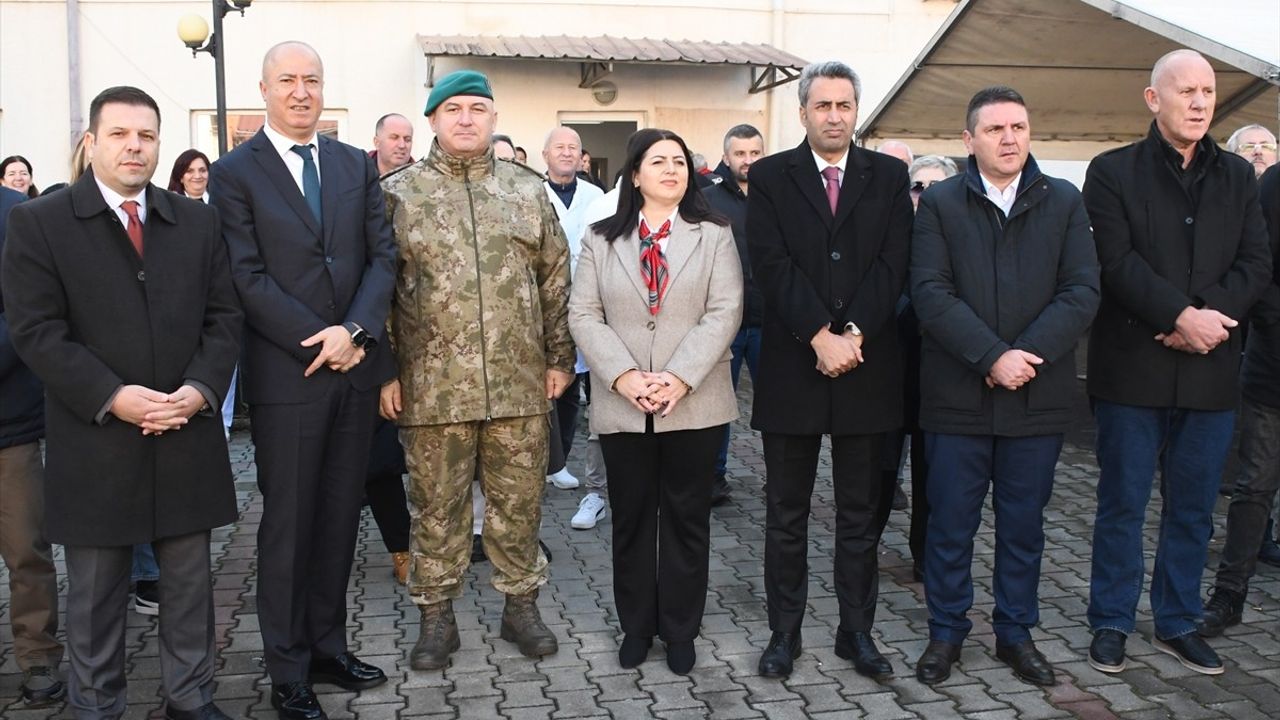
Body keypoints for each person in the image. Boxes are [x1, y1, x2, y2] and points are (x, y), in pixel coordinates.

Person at [2, 85, 242, 720]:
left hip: (185, 432)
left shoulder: (197, 219)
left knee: (190, 588)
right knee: (96, 596)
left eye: (147, 135)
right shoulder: (40, 223)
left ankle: (191, 700)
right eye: (120, 134)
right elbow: (36, 331)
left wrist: (199, 390)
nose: (135, 146)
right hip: (96, 440)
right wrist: (112, 396)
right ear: (91, 142)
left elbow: (224, 317)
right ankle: (97, 705)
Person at [210, 41, 397, 720]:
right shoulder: (235, 174)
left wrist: (357, 334)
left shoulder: (354, 163)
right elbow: (245, 274)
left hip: (352, 372)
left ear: (324, 90)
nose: (300, 91)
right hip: (288, 378)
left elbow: (384, 258)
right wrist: (320, 338)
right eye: (287, 80)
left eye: (311, 80)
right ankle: (286, 669)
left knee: (341, 520)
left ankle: (327, 647)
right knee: (288, 528)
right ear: (264, 89)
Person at [378, 69, 575, 671]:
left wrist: (559, 357)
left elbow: (554, 276)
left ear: (494, 118)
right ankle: (436, 619)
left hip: (519, 384)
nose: (466, 119)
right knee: (436, 508)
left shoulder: (525, 189)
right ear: (433, 120)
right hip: (432, 388)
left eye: (478, 109)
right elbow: (378, 289)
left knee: (519, 505)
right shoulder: (398, 193)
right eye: (453, 109)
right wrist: (387, 371)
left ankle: (521, 608)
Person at [1083, 49, 1271, 677]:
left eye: (1207, 92)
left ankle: (1178, 620)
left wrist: (1207, 318)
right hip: (1133, 369)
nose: (1198, 102)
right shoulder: (1110, 172)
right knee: (1122, 502)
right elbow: (1115, 262)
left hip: (1212, 369)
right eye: (1185, 90)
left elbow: (1255, 264)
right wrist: (1178, 317)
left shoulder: (1239, 178)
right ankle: (1110, 620)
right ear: (1152, 98)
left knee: (1192, 507)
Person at [910, 86, 1100, 687]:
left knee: (1023, 528)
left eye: (1018, 126)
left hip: (1035, 398)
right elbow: (930, 293)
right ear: (969, 141)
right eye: (995, 129)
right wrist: (992, 356)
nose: (1010, 138)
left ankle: (1015, 635)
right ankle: (946, 634)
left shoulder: (1063, 201)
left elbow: (1082, 291)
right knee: (950, 525)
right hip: (957, 399)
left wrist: (1026, 356)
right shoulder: (940, 203)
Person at [748, 60, 912, 680]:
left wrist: (854, 334)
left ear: (856, 110)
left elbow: (894, 263)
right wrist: (819, 334)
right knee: (785, 514)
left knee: (859, 517)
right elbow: (770, 262)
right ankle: (783, 634)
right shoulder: (769, 176)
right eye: (824, 105)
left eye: (845, 105)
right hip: (794, 365)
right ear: (804, 112)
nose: (835, 115)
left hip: (867, 368)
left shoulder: (889, 176)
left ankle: (856, 632)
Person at [570, 127, 742, 674]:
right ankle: (637, 625)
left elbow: (724, 312)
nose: (672, 170)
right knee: (633, 520)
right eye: (659, 161)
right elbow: (583, 314)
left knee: (688, 520)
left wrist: (677, 377)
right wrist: (624, 377)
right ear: (635, 174)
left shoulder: (714, 234)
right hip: (624, 404)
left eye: (680, 162)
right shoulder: (601, 238)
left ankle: (681, 629)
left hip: (693, 401)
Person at [1199, 161, 1280, 635]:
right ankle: (1229, 595)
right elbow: (1257, 273)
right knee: (1255, 489)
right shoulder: (1273, 184)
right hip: (1273, 373)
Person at [0, 183, 66, 709]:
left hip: (8, 425)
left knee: (26, 549)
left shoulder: (14, 214)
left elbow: (29, 312)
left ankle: (39, 657)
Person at [892, 154, 960, 581]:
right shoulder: (892, 237)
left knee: (933, 477)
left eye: (937, 186)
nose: (926, 195)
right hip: (890, 374)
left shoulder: (962, 241)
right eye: (919, 186)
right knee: (880, 475)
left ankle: (925, 555)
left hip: (943, 378)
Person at [703, 123, 765, 506]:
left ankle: (782, 478)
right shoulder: (706, 200)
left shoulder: (777, 198)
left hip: (769, 319)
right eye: (740, 154)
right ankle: (713, 477)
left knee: (775, 404)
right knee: (717, 404)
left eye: (754, 153)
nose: (747, 161)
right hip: (723, 322)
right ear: (726, 157)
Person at [542, 126, 604, 497]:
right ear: (545, 154)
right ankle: (556, 462)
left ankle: (593, 470)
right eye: (559, 147)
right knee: (557, 384)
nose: (566, 153)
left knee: (591, 381)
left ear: (582, 158)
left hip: (590, 300)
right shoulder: (532, 193)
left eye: (573, 148)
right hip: (547, 305)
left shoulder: (595, 196)